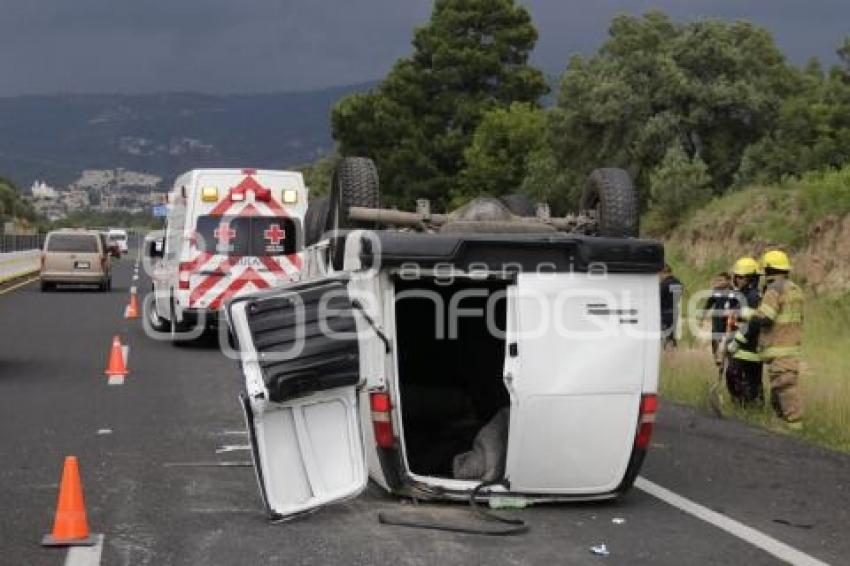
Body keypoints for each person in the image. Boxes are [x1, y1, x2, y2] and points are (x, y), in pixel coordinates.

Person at [737, 250, 804, 429]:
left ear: (768, 270)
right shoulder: (795, 289)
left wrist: (746, 314)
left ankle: (795, 430)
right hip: (791, 349)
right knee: (779, 391)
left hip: (779, 349)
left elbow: (765, 317)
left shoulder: (774, 289)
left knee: (785, 391)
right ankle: (782, 429)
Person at [724, 257, 764, 406]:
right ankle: (743, 406)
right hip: (738, 347)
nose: (737, 280)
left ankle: (750, 407)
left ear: (751, 278)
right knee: (735, 378)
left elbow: (754, 324)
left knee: (749, 382)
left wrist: (737, 341)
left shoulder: (754, 297)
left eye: (741, 277)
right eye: (737, 276)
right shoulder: (740, 295)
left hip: (749, 347)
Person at [702, 272, 733, 359]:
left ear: (728, 281)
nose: (719, 282)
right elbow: (709, 303)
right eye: (718, 280)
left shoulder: (734, 291)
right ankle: (716, 357)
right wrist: (704, 313)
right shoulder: (716, 290)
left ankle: (726, 357)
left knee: (727, 340)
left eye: (721, 280)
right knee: (715, 338)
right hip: (717, 319)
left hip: (729, 320)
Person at [659, 264, 684, 349]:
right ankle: (673, 352)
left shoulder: (663, 284)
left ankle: (665, 352)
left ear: (663, 272)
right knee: (671, 334)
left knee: (663, 334)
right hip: (674, 311)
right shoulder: (678, 283)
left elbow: (659, 298)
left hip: (664, 312)